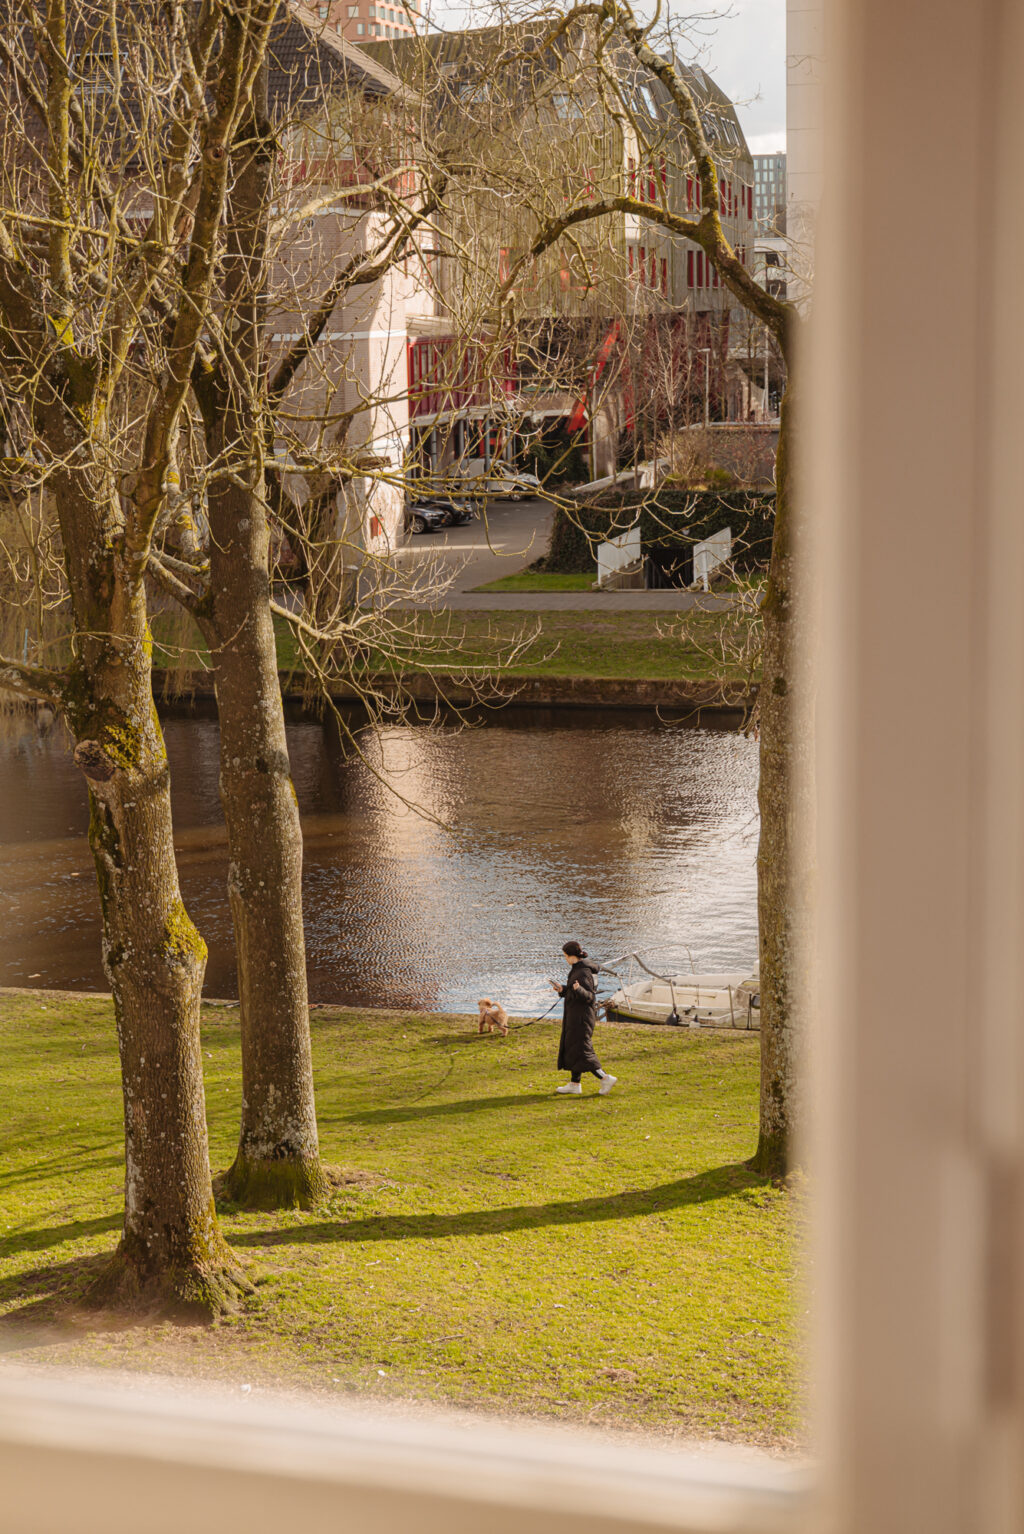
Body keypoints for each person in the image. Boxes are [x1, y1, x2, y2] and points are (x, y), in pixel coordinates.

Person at [549, 941, 618, 1096]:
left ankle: (605, 1078)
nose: (565, 958)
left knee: (583, 1051)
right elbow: (573, 992)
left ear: (572, 956)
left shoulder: (583, 972)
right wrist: (562, 989)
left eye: (565, 956)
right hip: (575, 1017)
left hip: (582, 1019)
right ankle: (575, 1084)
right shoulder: (577, 969)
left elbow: (589, 997)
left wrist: (579, 989)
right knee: (574, 1049)